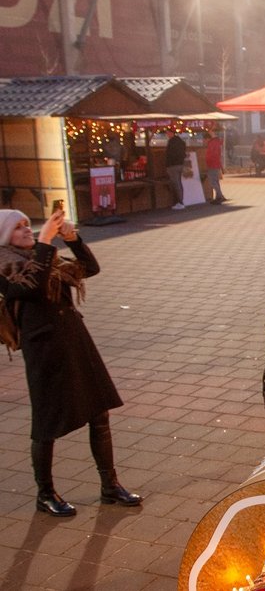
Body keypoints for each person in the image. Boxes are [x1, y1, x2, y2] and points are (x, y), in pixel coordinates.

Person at [0, 209, 141, 516]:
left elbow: (89, 267)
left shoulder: (44, 256)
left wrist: (73, 239)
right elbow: (31, 287)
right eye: (18, 228)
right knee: (46, 422)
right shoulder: (6, 264)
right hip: (43, 346)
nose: (26, 230)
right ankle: (45, 493)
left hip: (74, 337)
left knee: (99, 411)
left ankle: (110, 486)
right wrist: (46, 240)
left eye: (28, 225)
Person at [165, 131, 187, 210]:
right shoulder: (181, 142)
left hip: (172, 165)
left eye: (167, 133)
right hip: (180, 164)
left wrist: (167, 164)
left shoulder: (171, 142)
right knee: (179, 183)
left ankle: (180, 202)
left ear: (171, 133)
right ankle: (180, 201)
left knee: (176, 184)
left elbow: (169, 154)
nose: (166, 134)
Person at [204, 128, 226, 204]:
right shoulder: (217, 143)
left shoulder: (212, 143)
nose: (204, 141)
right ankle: (218, 197)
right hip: (216, 164)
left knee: (213, 181)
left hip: (212, 164)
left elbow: (212, 155)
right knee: (216, 181)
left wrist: (208, 162)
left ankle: (220, 196)